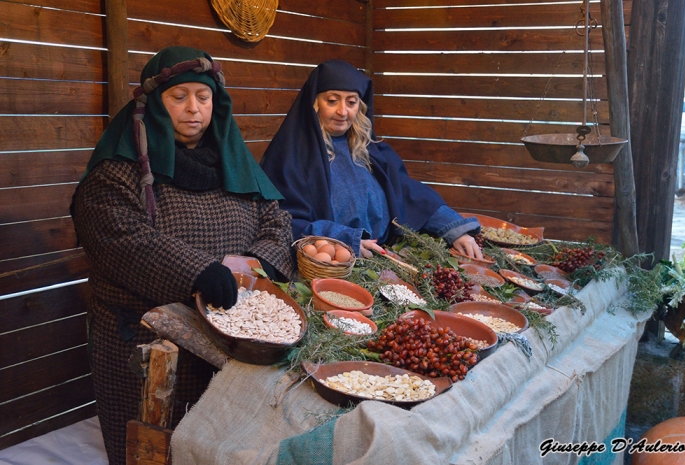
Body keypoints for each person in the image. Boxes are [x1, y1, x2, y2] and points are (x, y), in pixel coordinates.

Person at [71, 46, 294, 465]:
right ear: (155, 102)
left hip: (235, 331)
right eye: (179, 97)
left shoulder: (232, 161)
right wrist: (200, 271)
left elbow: (276, 220)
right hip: (147, 340)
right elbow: (117, 234)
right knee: (156, 445)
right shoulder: (121, 170)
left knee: (218, 441)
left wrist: (255, 262)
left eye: (203, 97)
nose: (194, 108)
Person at [259, 59, 483, 259]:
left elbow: (410, 195)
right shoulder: (290, 158)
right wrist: (344, 239)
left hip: (386, 256)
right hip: (334, 266)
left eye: (351, 102)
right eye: (332, 101)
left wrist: (454, 229)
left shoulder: (370, 152)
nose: (343, 111)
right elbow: (284, 221)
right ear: (315, 105)